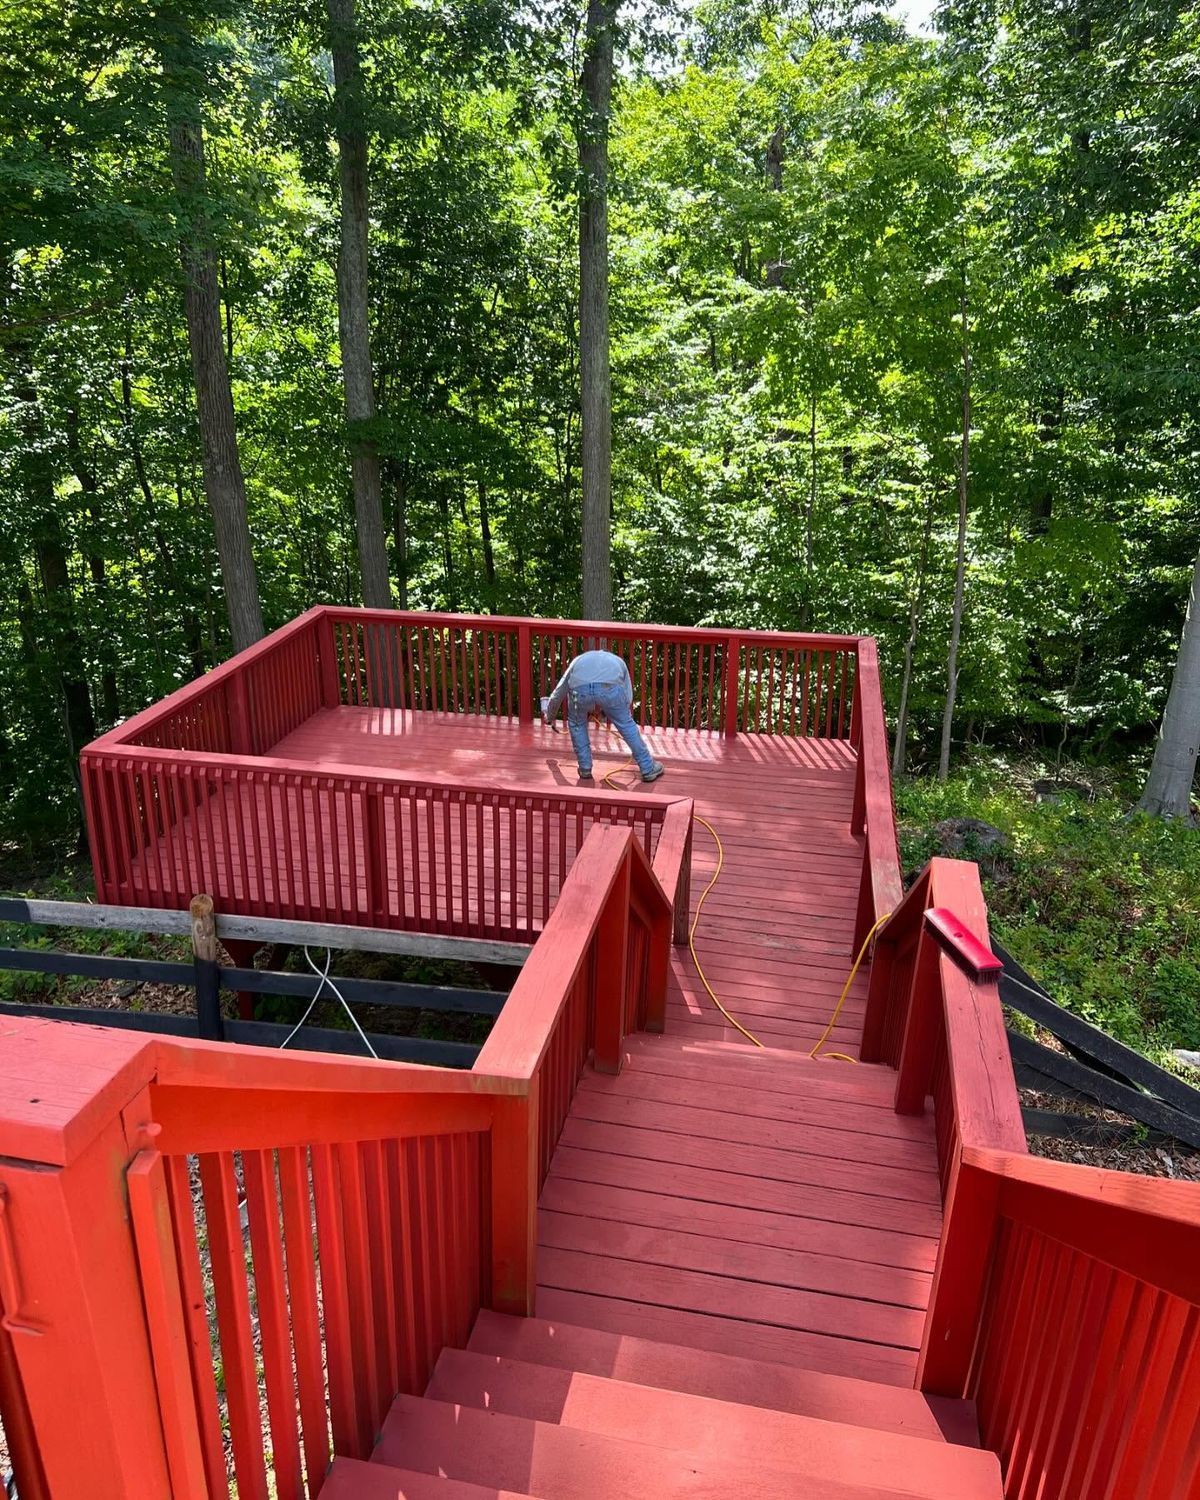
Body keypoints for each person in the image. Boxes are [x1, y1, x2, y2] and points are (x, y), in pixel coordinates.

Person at [542, 648, 665, 783]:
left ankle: (585, 768)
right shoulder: (619, 662)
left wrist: (550, 716)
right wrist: (607, 712)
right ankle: (647, 768)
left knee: (577, 723)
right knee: (626, 724)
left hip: (579, 692)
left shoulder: (577, 661)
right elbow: (627, 698)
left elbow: (559, 692)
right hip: (610, 688)